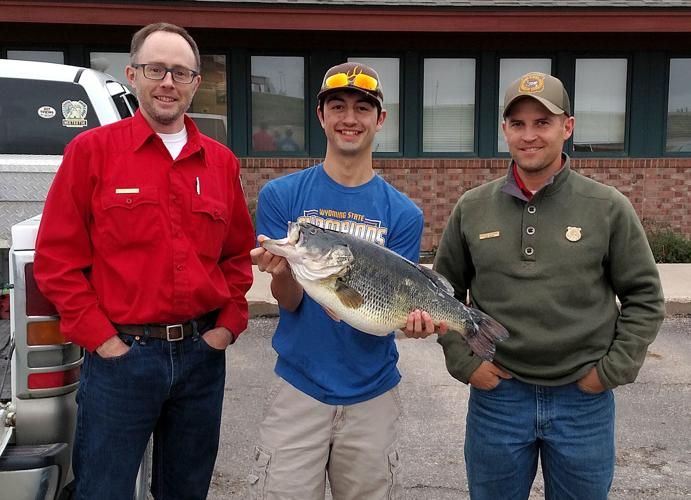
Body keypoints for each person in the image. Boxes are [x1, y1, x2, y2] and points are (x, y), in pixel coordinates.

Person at [33, 22, 254, 499]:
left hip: (201, 358)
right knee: (104, 491)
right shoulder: (91, 153)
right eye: (156, 69)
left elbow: (237, 255)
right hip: (121, 362)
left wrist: (226, 327)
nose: (168, 83)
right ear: (132, 74)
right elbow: (56, 259)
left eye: (181, 72)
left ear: (197, 83)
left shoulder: (221, 163)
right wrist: (102, 341)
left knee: (186, 491)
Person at [434, 71, 666, 500]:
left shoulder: (608, 207)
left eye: (543, 122)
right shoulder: (472, 207)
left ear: (568, 127)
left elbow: (645, 297)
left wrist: (610, 372)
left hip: (582, 402)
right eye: (518, 124)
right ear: (504, 129)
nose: (530, 136)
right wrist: (465, 364)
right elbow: (441, 293)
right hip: (498, 398)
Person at [249, 62, 442, 500]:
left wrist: (411, 324)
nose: (349, 119)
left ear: (380, 119)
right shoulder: (282, 198)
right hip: (299, 388)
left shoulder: (403, 214)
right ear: (321, 116)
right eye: (337, 106)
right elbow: (291, 303)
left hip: (372, 393)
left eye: (362, 108)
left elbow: (393, 306)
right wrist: (282, 276)